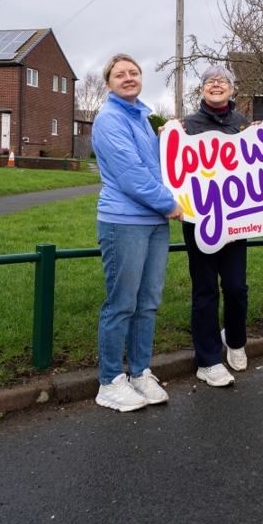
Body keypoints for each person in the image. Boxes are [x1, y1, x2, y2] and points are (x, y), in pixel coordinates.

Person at [92, 54, 184, 412]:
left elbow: (153, 165)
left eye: (133, 72)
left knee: (147, 303)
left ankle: (139, 372)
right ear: (108, 83)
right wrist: (171, 205)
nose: (128, 78)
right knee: (122, 303)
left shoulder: (141, 118)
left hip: (153, 224)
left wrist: (168, 138)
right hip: (124, 222)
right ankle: (109, 381)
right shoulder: (109, 119)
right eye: (119, 74)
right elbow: (131, 176)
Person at [182, 65, 249, 387]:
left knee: (236, 287)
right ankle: (207, 359)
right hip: (201, 220)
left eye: (222, 81)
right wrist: (170, 134)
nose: (216, 84)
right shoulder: (186, 126)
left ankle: (235, 340)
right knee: (206, 289)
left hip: (237, 219)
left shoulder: (243, 125)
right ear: (201, 90)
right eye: (210, 81)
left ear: (233, 89)